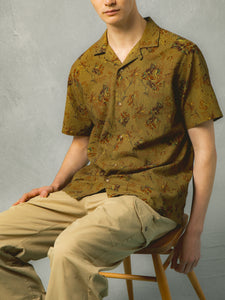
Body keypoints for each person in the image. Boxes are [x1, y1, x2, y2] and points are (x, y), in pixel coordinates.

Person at [0, 0, 223, 299]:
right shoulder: (85, 65)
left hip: (149, 196)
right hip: (89, 188)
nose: (109, 1)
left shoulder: (182, 54)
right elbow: (82, 142)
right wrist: (55, 185)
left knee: (69, 251)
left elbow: (205, 149)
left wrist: (193, 231)